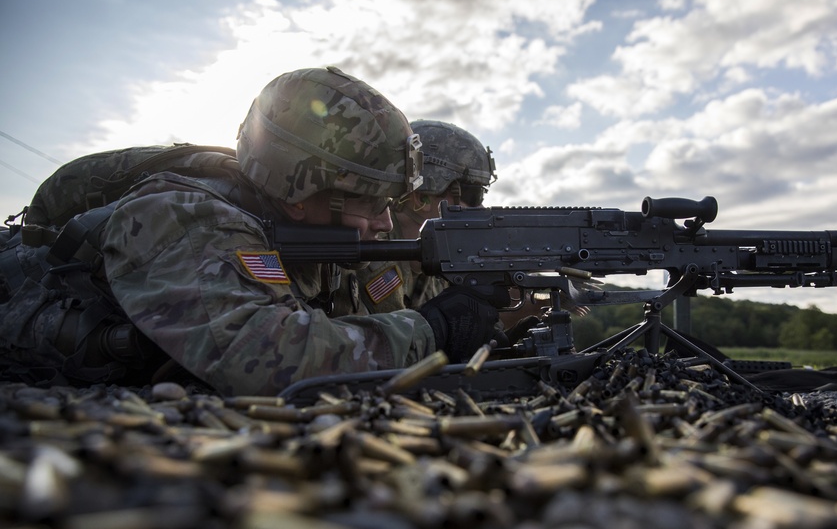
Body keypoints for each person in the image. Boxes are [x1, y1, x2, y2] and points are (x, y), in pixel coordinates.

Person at [1, 66, 503, 396]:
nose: (385, 221)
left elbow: (355, 320)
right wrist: (433, 330)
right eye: (370, 201)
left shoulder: (317, 237)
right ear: (303, 193)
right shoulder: (180, 216)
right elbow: (270, 362)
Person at [331, 119, 496, 315]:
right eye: (472, 195)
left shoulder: (436, 262)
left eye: (482, 194)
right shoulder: (366, 256)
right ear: (421, 197)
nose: (480, 207)